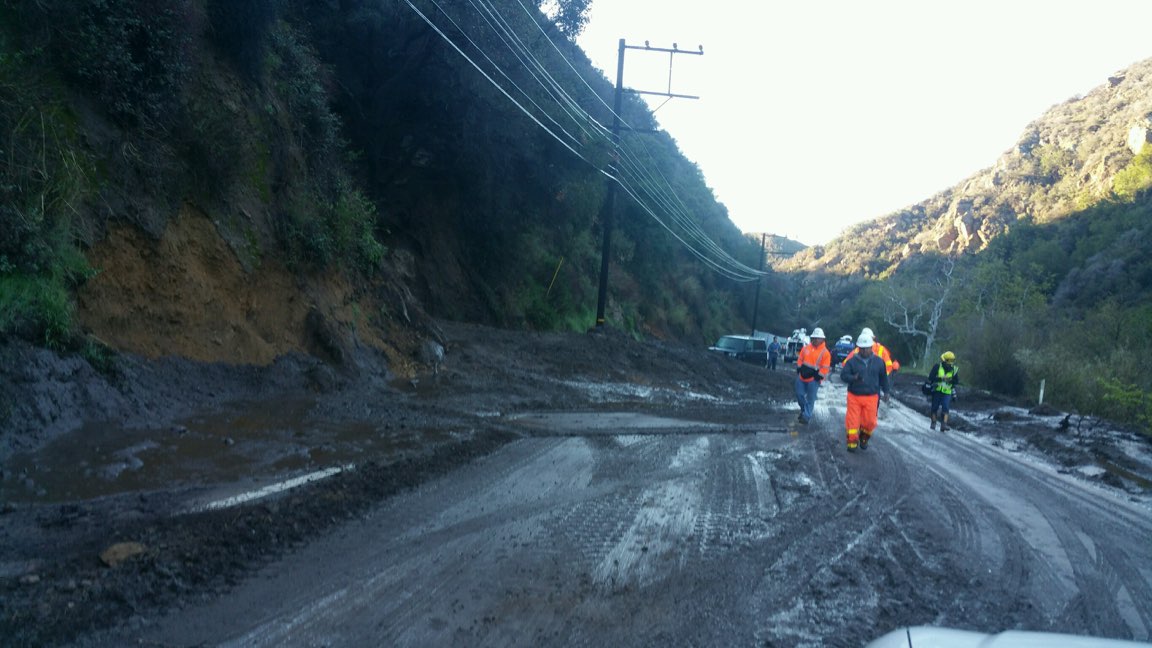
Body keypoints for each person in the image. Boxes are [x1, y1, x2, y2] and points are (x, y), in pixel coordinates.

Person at [840, 331, 891, 451]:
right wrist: (853, 378)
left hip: (871, 397)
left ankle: (864, 436)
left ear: (871, 347)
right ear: (858, 348)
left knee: (870, 422)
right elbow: (843, 376)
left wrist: (886, 392)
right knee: (853, 421)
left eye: (866, 348)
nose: (864, 351)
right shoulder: (852, 362)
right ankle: (851, 442)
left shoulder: (879, 362)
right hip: (854, 396)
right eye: (861, 348)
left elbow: (884, 378)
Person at [794, 327, 831, 424]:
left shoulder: (825, 353)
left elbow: (825, 367)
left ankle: (806, 416)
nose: (815, 340)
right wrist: (799, 368)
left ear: (822, 339)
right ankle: (804, 410)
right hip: (802, 377)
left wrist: (818, 376)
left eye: (817, 338)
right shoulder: (806, 348)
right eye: (814, 337)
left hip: (814, 379)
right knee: (799, 395)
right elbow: (800, 359)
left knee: (810, 399)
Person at [927, 351, 959, 431]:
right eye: (949, 361)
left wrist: (950, 380)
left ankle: (943, 425)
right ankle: (933, 422)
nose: (950, 363)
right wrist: (941, 379)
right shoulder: (937, 367)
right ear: (944, 360)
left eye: (951, 361)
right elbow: (931, 378)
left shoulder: (954, 369)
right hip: (937, 390)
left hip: (947, 392)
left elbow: (956, 381)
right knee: (934, 407)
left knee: (945, 407)